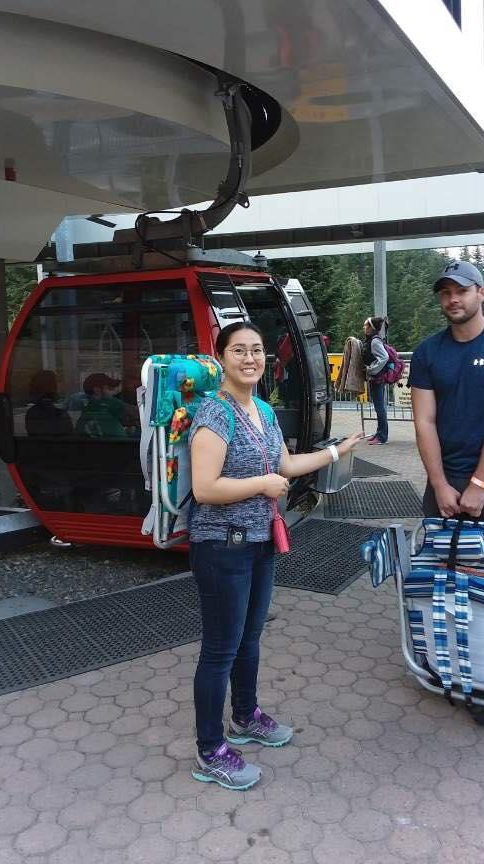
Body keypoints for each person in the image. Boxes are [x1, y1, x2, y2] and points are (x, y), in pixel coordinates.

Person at [187, 321, 364, 789]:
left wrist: (334, 452)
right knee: (220, 650)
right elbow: (205, 488)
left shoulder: (262, 410)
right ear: (221, 358)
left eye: (258, 350)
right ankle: (210, 751)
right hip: (222, 547)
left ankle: (244, 717)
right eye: (239, 350)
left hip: (260, 542)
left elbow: (284, 465)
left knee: (249, 640)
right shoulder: (214, 413)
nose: (250, 358)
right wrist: (261, 487)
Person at [409, 261, 484, 531]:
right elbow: (424, 422)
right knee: (439, 566)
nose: (453, 299)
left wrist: (479, 483)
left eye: (462, 290)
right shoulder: (427, 352)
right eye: (445, 293)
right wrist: (439, 483)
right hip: (444, 475)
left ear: (481, 293)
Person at [74, 373, 134, 439]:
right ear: (97, 390)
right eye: (109, 389)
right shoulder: (106, 414)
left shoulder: (82, 419)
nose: (113, 392)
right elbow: (134, 412)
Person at [363, 316, 391, 445]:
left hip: (377, 378)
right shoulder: (373, 340)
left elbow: (384, 357)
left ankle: (382, 436)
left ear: (371, 328)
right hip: (376, 378)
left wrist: (371, 370)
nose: (364, 327)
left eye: (366, 325)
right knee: (379, 407)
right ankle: (379, 433)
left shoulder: (374, 341)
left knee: (380, 407)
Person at [25, 370, 72, 437]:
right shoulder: (60, 415)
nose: (60, 384)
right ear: (52, 386)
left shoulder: (31, 413)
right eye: (57, 381)